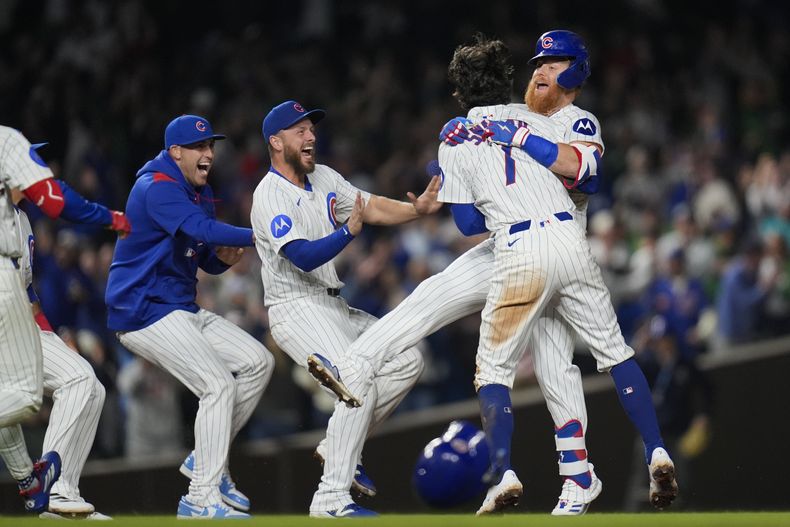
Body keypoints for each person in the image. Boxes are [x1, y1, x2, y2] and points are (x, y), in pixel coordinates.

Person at [318, 32, 677, 514]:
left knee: (551, 363)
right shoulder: (522, 117)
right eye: (538, 63)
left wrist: (462, 155)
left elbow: (578, 174)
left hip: (535, 245)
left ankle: (574, 477)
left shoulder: (572, 120)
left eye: (553, 63)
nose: (541, 70)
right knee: (441, 301)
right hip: (521, 247)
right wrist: (478, 142)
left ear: (575, 72)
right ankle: (357, 367)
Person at [250, 100, 441, 517]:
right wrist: (347, 233)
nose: (311, 136)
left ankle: (336, 445)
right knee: (357, 378)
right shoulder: (269, 195)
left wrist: (416, 210)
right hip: (296, 307)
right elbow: (302, 256)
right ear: (276, 142)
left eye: (311, 129)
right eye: (300, 130)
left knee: (408, 359)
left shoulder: (323, 177)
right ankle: (331, 498)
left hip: (335, 305)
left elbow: (369, 206)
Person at [106, 115, 274, 519]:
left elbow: (199, 253)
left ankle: (206, 457)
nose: (209, 153)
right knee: (217, 385)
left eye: (210, 145)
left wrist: (221, 262)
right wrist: (263, 235)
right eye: (199, 147)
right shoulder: (156, 186)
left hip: (178, 307)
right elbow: (203, 229)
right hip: (143, 310)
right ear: (175, 152)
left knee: (258, 362)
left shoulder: (198, 190)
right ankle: (200, 497)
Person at [11, 181, 114, 519]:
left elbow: (28, 291)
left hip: (27, 326)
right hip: (7, 331)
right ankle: (51, 489)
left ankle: (64, 493)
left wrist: (50, 334)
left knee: (94, 389)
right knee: (79, 380)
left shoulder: (21, 218)